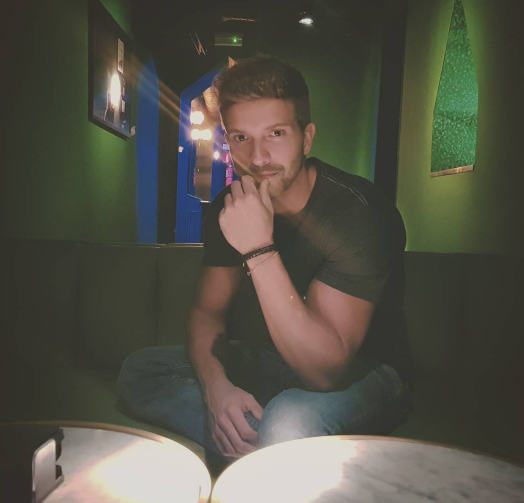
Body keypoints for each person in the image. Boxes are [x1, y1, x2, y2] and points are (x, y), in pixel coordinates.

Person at [117, 54, 412, 465]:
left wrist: (258, 249)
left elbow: (325, 373)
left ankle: (261, 441)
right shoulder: (231, 205)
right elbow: (207, 312)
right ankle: (259, 443)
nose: (257, 158)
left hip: (365, 372)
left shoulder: (359, 214)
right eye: (241, 137)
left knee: (288, 421)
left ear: (306, 139)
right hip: (272, 358)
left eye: (275, 133)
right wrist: (216, 389)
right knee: (140, 370)